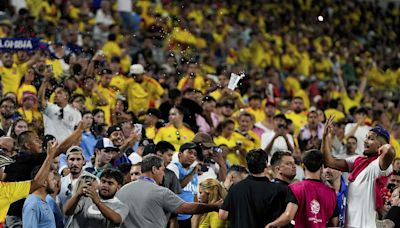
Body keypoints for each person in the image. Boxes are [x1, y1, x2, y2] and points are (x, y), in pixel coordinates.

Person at [322, 116, 395, 228]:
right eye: (366, 137)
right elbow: (329, 162)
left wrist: (385, 147)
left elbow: (390, 152)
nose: (365, 140)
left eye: (371, 138)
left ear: (380, 146)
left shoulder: (380, 165)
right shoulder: (357, 160)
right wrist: (325, 137)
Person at [116, 154, 221, 228]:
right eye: (162, 169)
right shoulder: (160, 192)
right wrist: (213, 206)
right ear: (154, 169)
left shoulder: (122, 191)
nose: (164, 174)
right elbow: (187, 208)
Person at [219, 149, 295, 228]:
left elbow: (222, 215)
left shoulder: (236, 188)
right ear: (266, 164)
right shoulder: (279, 190)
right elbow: (288, 216)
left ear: (247, 165)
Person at [266, 149, 338, 228]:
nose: (293, 166)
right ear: (321, 167)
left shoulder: (294, 188)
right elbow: (334, 223)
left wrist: (272, 224)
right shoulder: (331, 192)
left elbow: (289, 215)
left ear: (303, 166)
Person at [1, 141, 57, 224]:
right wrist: (49, 156)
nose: (3, 170)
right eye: (1, 167)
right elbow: (37, 183)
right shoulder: (4, 190)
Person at [64, 169, 129, 228]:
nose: (105, 185)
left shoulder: (121, 206)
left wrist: (98, 202)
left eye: (110, 183)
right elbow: (67, 212)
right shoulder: (86, 196)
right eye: (103, 181)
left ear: (118, 187)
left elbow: (116, 220)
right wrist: (77, 195)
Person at [38, 74, 82, 143]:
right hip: (51, 147)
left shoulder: (76, 113)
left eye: (59, 93)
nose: (56, 95)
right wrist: (44, 82)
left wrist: (75, 146)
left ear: (66, 96)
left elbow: (78, 133)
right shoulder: (50, 108)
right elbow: (40, 100)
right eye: (55, 93)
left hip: (67, 148)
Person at [167, 142, 200, 227]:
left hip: (189, 216)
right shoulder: (173, 167)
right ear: (180, 154)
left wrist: (196, 214)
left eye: (195, 154)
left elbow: (194, 194)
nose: (192, 156)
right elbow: (178, 186)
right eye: (190, 152)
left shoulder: (194, 171)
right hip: (175, 216)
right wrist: (193, 172)